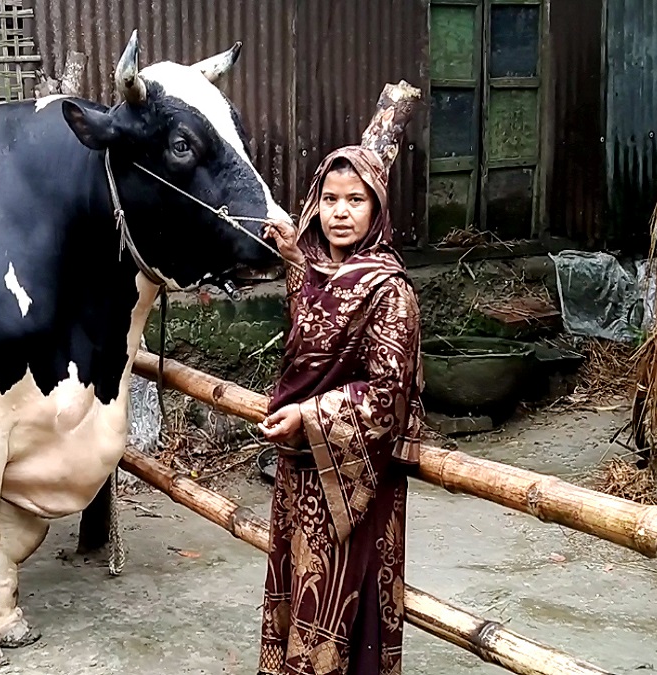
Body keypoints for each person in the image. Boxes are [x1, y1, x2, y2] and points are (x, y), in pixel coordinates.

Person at [256, 145, 425, 675]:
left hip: (358, 479)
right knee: (298, 590)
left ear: (377, 210)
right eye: (330, 199)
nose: (340, 211)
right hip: (301, 469)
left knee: (344, 602)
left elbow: (386, 395)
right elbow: (310, 340)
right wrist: (294, 263)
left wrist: (308, 416)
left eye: (356, 199)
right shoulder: (318, 274)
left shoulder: (389, 290)